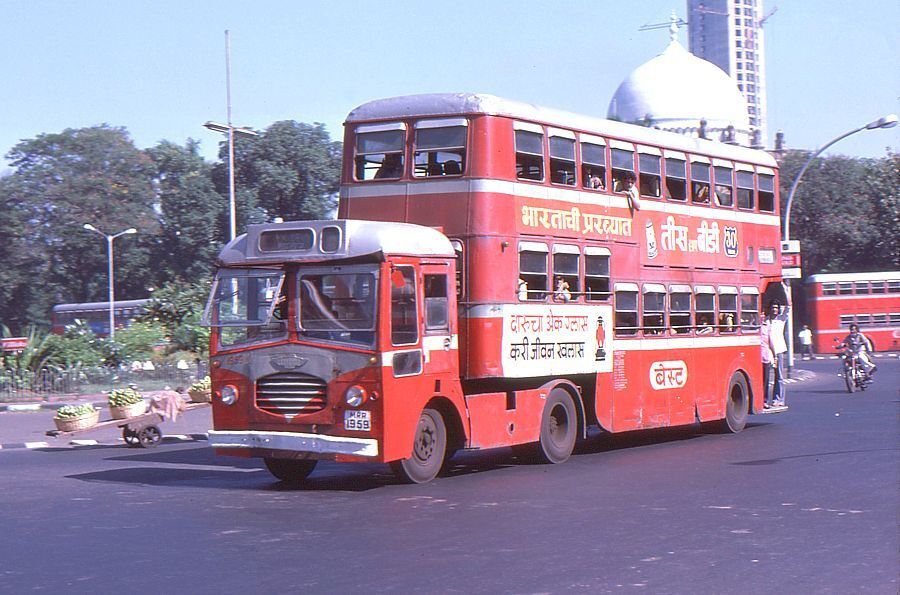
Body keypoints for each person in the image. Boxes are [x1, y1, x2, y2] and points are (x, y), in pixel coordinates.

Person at [761, 302, 789, 408]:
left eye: (776, 308)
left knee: (779, 376)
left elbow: (789, 308)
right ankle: (765, 399)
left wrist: (786, 289)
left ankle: (778, 399)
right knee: (766, 377)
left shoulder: (781, 320)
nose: (774, 310)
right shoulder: (766, 321)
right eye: (773, 307)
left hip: (778, 350)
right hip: (767, 352)